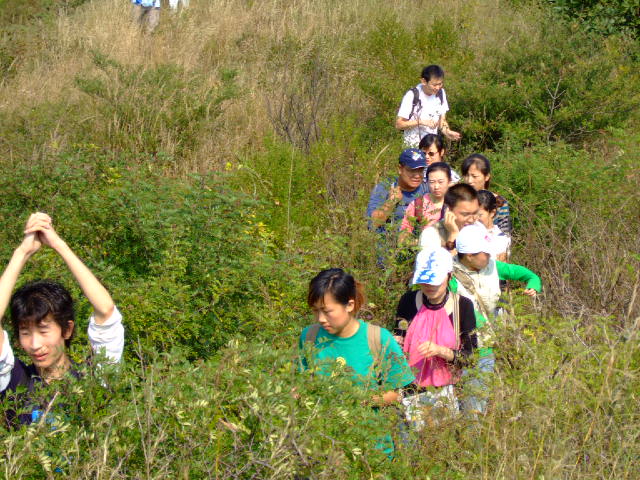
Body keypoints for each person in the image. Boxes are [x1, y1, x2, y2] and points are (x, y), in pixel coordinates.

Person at [0, 213, 124, 426]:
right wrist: (22, 252)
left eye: (43, 330)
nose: (35, 344)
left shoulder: (94, 378)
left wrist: (59, 245)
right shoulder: (15, 382)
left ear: (67, 330)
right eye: (25, 332)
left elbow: (106, 311)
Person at [299, 269, 414, 454]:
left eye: (327, 311)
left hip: (372, 450)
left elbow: (396, 394)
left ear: (349, 305)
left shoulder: (378, 339)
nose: (321, 319)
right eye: (315, 311)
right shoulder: (309, 337)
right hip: (322, 448)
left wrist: (356, 400)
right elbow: (301, 384)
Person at [451, 224, 541, 414]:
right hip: (456, 349)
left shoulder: (493, 266)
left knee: (476, 405)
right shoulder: (449, 274)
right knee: (455, 407)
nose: (489, 255)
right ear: (469, 255)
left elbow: (528, 275)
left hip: (485, 347)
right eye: (485, 252)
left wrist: (533, 286)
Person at [393, 248, 476, 429]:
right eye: (424, 281)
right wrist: (395, 343)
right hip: (411, 390)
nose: (429, 286)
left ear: (449, 276)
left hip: (448, 391)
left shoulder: (463, 306)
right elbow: (399, 335)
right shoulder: (408, 301)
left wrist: (441, 351)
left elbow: (470, 357)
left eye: (435, 281)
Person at [395, 65, 462, 148]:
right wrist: (421, 122)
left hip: (432, 147)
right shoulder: (412, 95)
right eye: (434, 85)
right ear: (424, 81)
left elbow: (442, 121)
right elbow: (399, 124)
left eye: (440, 84)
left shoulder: (441, 93)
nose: (437, 88)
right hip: (413, 147)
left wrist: (447, 132)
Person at [366, 148, 428, 235]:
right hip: (388, 241)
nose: (417, 175)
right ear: (400, 169)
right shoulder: (385, 187)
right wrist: (391, 201)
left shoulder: (427, 190)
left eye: (420, 170)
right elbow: (372, 224)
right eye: (412, 170)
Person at [398, 162, 452, 245]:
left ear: (449, 181)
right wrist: (421, 243)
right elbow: (403, 236)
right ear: (427, 182)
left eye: (440, 182)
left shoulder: (456, 203)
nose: (436, 186)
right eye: (432, 182)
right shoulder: (418, 204)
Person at [418, 183, 480, 255]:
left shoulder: (479, 228)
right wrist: (453, 235)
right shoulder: (431, 234)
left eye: (475, 213)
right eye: (465, 214)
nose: (471, 220)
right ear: (448, 210)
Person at [461, 154, 512, 236]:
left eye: (474, 176)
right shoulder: (458, 200)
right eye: (466, 176)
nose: (469, 180)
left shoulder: (500, 202)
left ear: (487, 177)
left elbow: (505, 235)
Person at [476, 190, 511, 262]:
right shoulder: (465, 231)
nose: (475, 218)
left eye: (480, 215)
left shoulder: (501, 238)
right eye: (472, 213)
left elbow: (501, 265)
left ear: (492, 212)